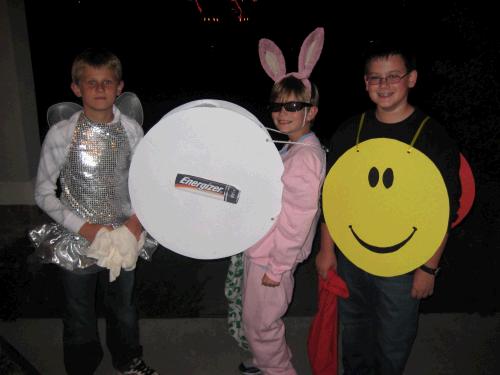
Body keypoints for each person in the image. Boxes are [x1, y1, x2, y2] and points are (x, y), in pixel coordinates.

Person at [316, 40, 461, 375]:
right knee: (354, 332)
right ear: (365, 83)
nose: (384, 85)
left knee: (393, 340)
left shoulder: (432, 138)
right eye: (375, 78)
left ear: (411, 79)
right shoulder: (351, 131)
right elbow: (332, 196)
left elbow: (443, 211)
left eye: (393, 76)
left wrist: (428, 268)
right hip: (352, 257)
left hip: (404, 264)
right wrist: (327, 251)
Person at [33, 48, 158, 375]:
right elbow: (44, 192)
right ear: (77, 88)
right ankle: (81, 366)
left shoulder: (132, 130)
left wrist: (136, 220)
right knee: (78, 311)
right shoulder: (62, 134)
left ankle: (128, 360)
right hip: (79, 239)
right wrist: (84, 227)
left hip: (124, 235)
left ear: (119, 87)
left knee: (125, 308)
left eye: (107, 82)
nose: (100, 89)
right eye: (91, 82)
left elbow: (147, 182)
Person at [238, 27, 326, 375]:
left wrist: (277, 267)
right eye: (277, 105)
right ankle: (265, 362)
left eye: (293, 105)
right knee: (255, 320)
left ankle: (277, 371)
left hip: (272, 259)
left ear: (312, 111)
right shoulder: (294, 145)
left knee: (263, 324)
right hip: (262, 251)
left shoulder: (306, 156)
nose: (282, 113)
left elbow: (298, 217)